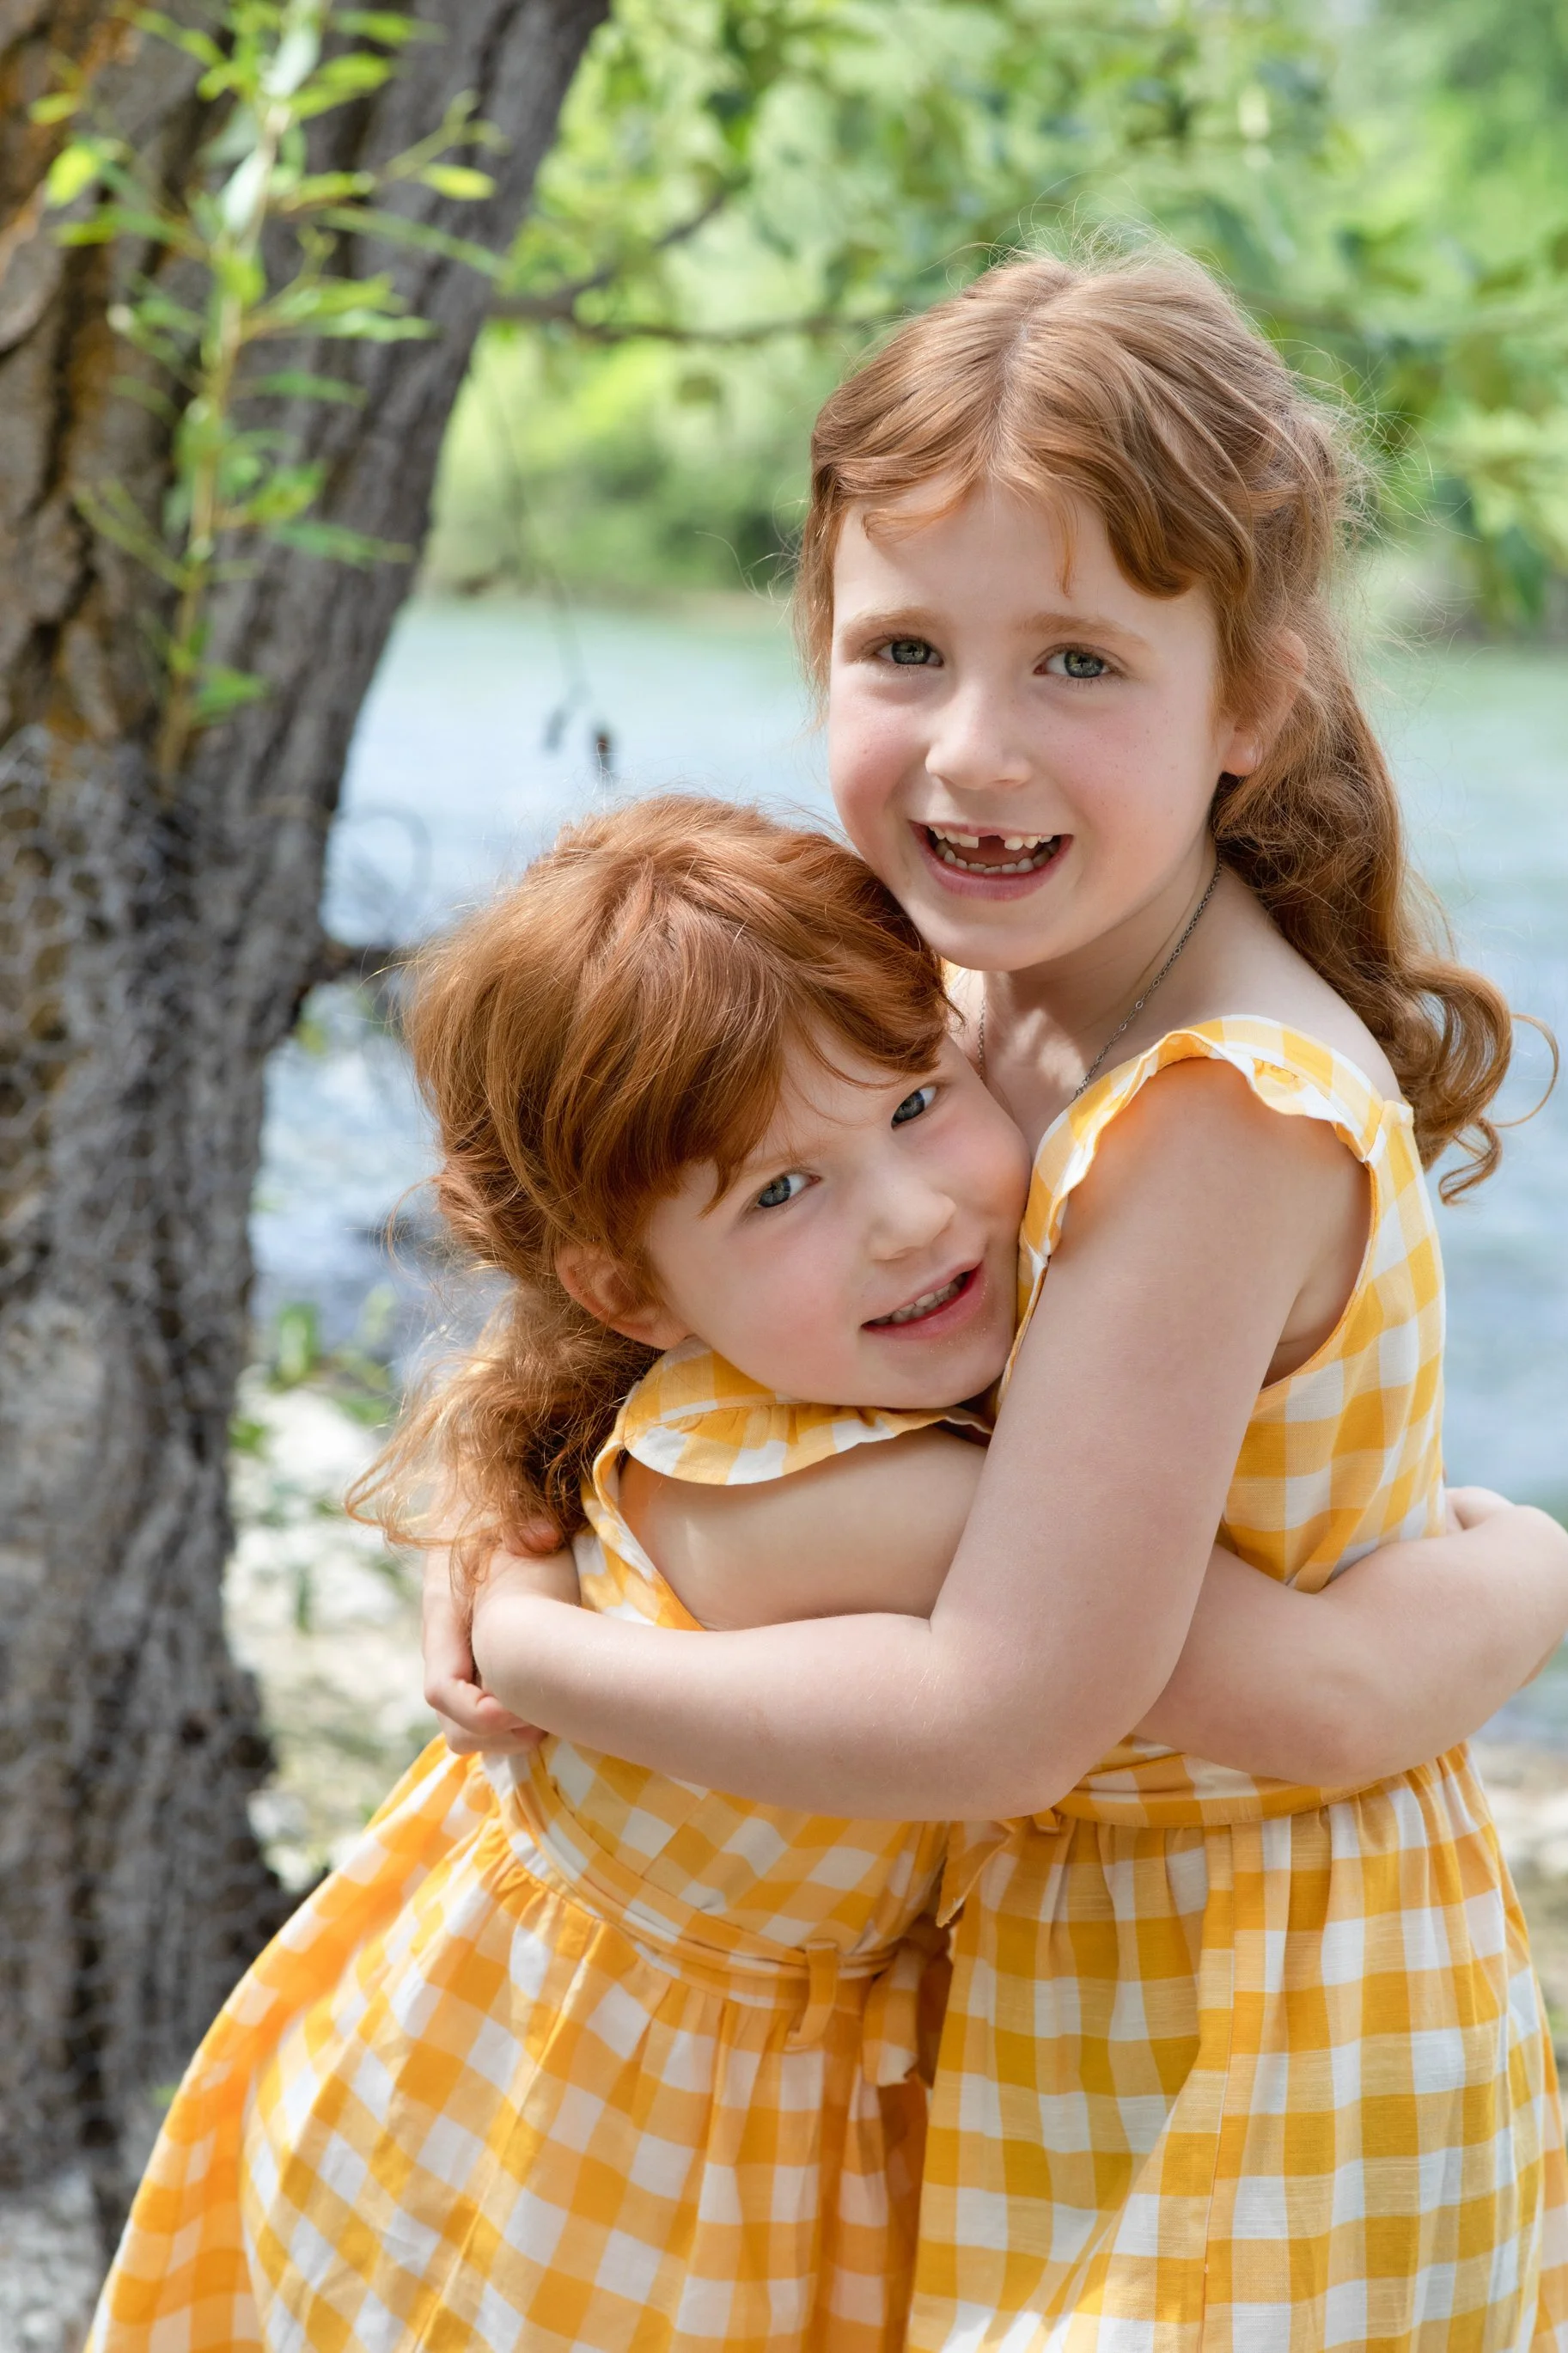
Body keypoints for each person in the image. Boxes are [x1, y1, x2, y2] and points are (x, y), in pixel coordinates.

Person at [443, 254, 1568, 2349]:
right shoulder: (961, 987)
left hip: (1236, 2028)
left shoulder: (1212, 1120)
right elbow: (647, 1280)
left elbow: (1018, 1703)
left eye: (1078, 661)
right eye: (904, 650)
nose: (974, 749)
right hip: (1050, 1966)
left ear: (1251, 704)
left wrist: (544, 1652)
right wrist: (505, 1511)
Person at [91, 801, 1561, 2353]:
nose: (912, 1215)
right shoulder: (866, 1495)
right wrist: (1532, 1552)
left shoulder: (721, 1394)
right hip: (590, 2159)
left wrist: (511, 1589)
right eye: (781, 1193)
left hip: (572, 2081)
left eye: (919, 1099)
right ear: (627, 1292)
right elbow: (1331, 1694)